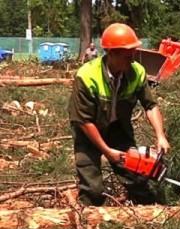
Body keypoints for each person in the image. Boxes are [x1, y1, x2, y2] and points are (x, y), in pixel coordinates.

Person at [68, 23, 170, 206]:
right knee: (93, 189)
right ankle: (89, 224)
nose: (132, 59)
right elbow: (83, 120)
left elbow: (150, 105)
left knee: (137, 178)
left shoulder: (137, 72)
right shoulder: (87, 76)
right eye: (127, 55)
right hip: (89, 131)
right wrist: (107, 152)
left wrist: (160, 136)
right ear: (112, 53)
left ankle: (144, 218)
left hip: (118, 129)